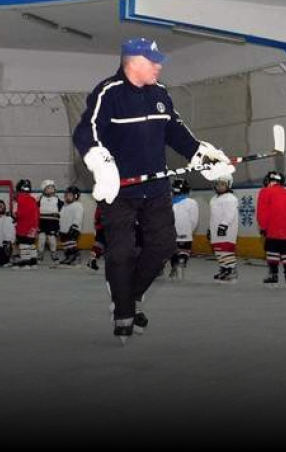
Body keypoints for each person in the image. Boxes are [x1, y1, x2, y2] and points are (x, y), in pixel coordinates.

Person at [72, 37, 233, 343]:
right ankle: (123, 313)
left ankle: (129, 295)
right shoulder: (109, 92)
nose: (159, 66)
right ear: (133, 62)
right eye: (153, 61)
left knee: (163, 245)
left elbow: (175, 130)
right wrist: (101, 163)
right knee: (121, 252)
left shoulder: (160, 93)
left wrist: (201, 154)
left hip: (156, 188)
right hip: (119, 190)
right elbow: (86, 133)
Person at [257, 170, 286, 289]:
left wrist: (263, 227)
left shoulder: (265, 191)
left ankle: (273, 277)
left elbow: (262, 212)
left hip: (273, 228)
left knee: (272, 252)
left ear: (269, 181)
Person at [209, 174, 240, 283]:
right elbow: (213, 216)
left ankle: (231, 271)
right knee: (218, 251)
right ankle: (224, 269)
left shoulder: (230, 198)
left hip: (227, 229)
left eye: (222, 184)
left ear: (229, 185)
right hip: (215, 230)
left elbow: (230, 214)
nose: (219, 186)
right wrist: (210, 229)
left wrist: (224, 225)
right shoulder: (214, 199)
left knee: (226, 250)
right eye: (217, 184)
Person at [168, 178, 199, 280]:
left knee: (173, 251)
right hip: (185, 231)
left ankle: (174, 268)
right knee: (184, 250)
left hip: (170, 232)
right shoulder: (191, 202)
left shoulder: (168, 202)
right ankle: (181, 261)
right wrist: (190, 230)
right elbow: (194, 219)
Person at [11, 179, 40, 269]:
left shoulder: (17, 199)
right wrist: (36, 226)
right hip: (33, 226)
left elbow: (16, 214)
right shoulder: (32, 199)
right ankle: (33, 262)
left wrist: (14, 216)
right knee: (31, 243)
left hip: (23, 226)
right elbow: (37, 213)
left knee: (24, 243)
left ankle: (25, 262)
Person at [37, 180, 64, 262]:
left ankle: (53, 253)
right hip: (42, 222)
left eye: (52, 187)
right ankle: (40, 253)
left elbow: (62, 210)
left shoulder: (57, 199)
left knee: (52, 240)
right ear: (44, 189)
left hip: (53, 223)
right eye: (49, 187)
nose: (51, 189)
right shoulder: (40, 198)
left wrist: (60, 223)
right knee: (41, 239)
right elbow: (35, 209)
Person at [58, 186, 85, 266]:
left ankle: (77, 258)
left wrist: (75, 226)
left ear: (76, 196)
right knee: (65, 245)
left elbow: (78, 217)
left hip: (73, 229)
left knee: (71, 244)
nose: (67, 197)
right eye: (66, 195)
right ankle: (68, 257)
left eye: (70, 195)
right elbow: (61, 216)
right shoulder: (65, 205)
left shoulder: (78, 205)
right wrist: (58, 226)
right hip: (63, 229)